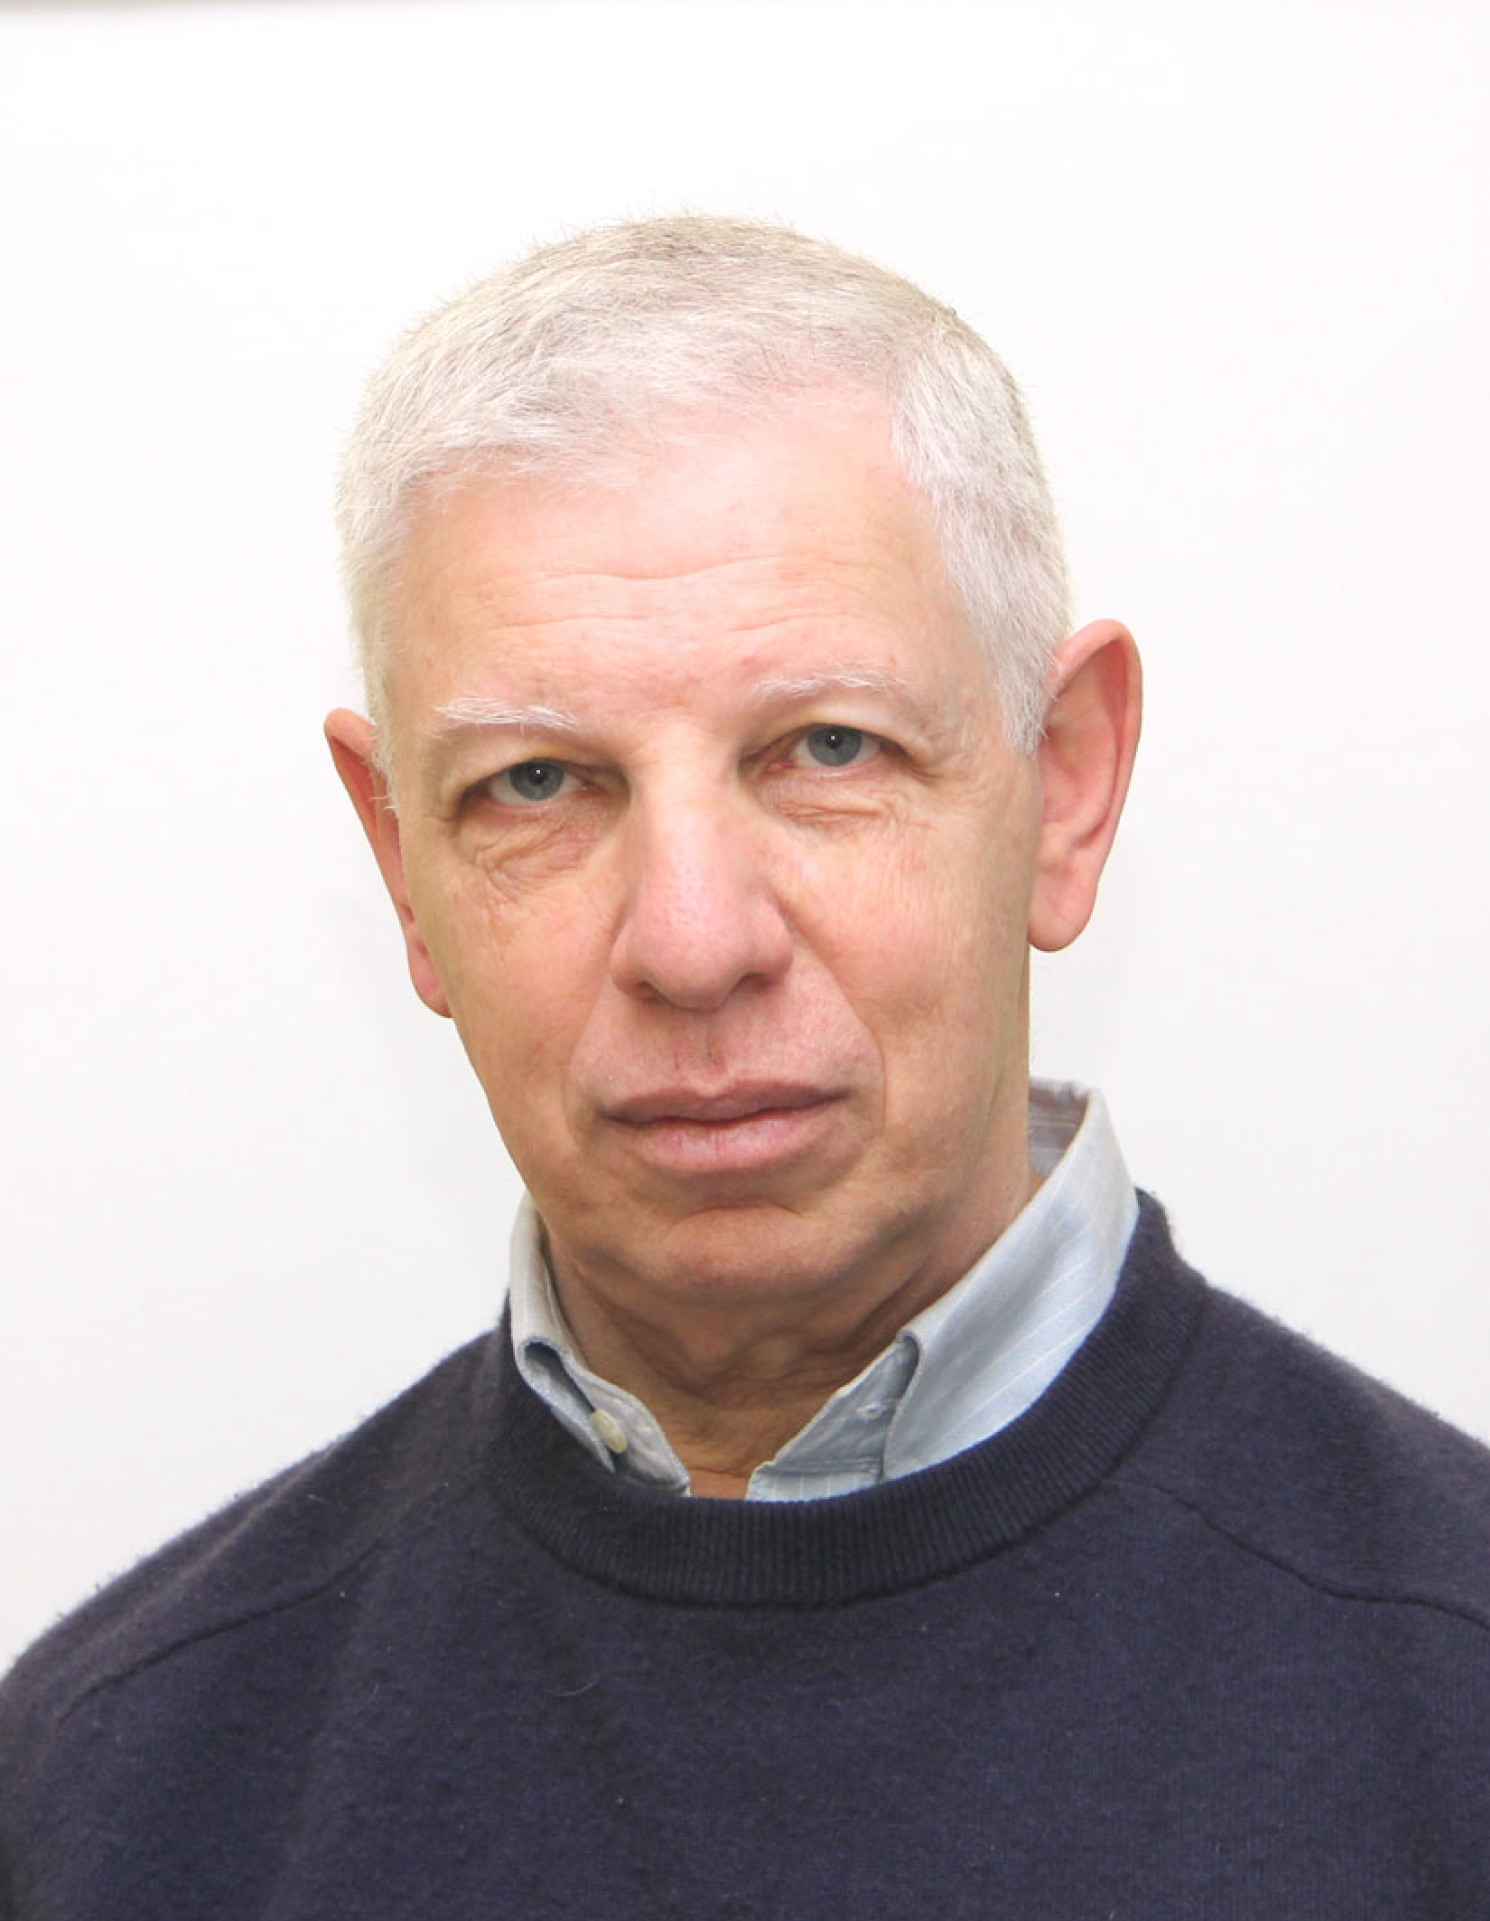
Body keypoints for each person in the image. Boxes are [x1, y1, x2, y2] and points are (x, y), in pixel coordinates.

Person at [1, 217, 1486, 1919]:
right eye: (537, 784)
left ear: (1063, 788)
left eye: (826, 749)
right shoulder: (115, 1794)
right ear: (404, 867)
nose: (693, 942)